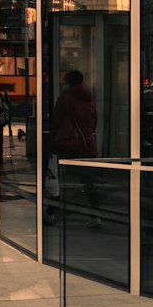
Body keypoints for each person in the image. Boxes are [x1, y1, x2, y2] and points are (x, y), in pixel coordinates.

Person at [50, 70, 101, 227]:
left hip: (69, 144)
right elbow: (94, 120)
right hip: (88, 144)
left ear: (68, 82)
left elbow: (56, 123)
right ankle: (95, 214)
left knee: (61, 180)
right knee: (89, 182)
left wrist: (53, 142)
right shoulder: (89, 98)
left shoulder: (65, 99)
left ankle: (55, 213)